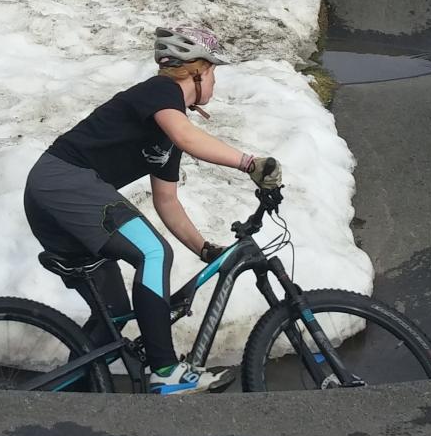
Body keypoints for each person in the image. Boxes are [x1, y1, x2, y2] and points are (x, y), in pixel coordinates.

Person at [22, 24, 284, 395]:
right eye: (214, 73)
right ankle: (164, 370)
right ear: (197, 71)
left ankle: (62, 399)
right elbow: (188, 138)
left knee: (113, 314)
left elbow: (167, 200)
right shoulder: (160, 92)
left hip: (56, 198)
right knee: (153, 251)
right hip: (64, 183)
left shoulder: (167, 129)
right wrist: (249, 163)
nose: (214, 84)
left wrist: (204, 249)